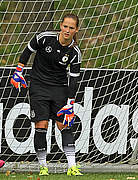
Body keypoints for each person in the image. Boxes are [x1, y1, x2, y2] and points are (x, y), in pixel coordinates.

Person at [10, 13, 82, 176]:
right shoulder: (45, 37)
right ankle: (43, 167)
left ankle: (72, 166)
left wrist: (70, 103)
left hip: (59, 88)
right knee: (41, 125)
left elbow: (73, 80)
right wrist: (19, 70)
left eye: (71, 28)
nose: (67, 30)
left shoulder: (75, 52)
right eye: (65, 26)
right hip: (39, 87)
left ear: (76, 30)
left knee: (64, 125)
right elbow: (28, 51)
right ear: (61, 25)